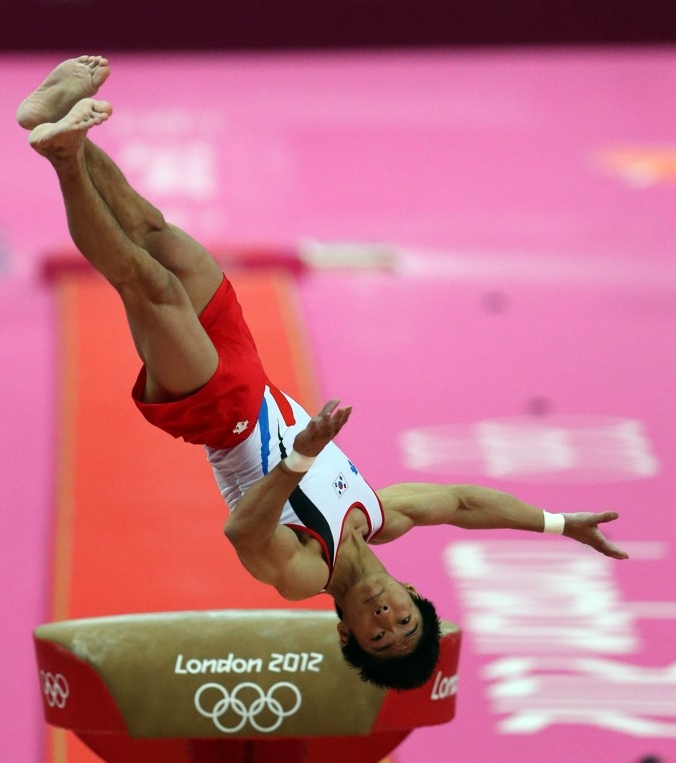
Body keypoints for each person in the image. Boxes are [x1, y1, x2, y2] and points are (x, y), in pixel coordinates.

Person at [17, 57, 629, 691]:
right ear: (412, 593)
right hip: (249, 370)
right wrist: (558, 524)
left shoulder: (306, 573)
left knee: (150, 285)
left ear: (345, 633)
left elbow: (242, 530)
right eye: (404, 622)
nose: (386, 619)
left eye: (377, 636)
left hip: (220, 415)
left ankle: (64, 157)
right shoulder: (380, 516)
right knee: (155, 233)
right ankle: (57, 123)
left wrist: (302, 457)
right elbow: (463, 503)